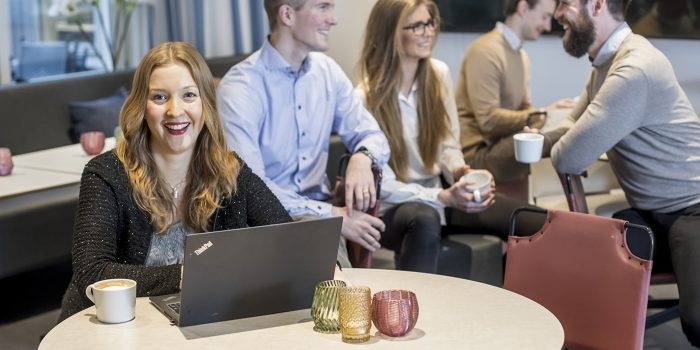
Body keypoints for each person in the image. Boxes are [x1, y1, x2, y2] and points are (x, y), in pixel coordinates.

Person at [58, 42, 292, 321]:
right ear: (140, 106)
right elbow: (92, 273)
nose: (175, 110)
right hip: (111, 330)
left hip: (195, 325)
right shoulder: (105, 175)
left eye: (189, 95)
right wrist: (187, 275)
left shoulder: (230, 170)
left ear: (205, 103)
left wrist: (324, 265)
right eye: (159, 97)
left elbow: (288, 239)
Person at [539, 0, 700, 345]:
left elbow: (569, 157)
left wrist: (554, 145)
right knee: (592, 255)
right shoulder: (605, 63)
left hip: (693, 209)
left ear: (596, 5)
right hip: (653, 212)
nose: (556, 14)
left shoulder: (633, 69)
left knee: (698, 321)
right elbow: (571, 124)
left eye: (565, 3)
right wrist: (535, 142)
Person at [356, 0, 546, 272]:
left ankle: (514, 300)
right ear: (391, 32)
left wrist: (459, 170)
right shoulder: (364, 96)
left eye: (430, 23)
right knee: (423, 218)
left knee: (530, 220)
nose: (428, 32)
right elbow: (381, 185)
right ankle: (415, 311)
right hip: (393, 209)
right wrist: (442, 197)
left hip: (441, 196)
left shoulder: (438, 74)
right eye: (417, 26)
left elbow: (447, 145)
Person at [217, 0, 390, 267]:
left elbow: (372, 134)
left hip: (324, 212)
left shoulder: (327, 72)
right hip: (267, 220)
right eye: (323, 7)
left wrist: (362, 157)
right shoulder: (240, 88)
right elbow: (251, 188)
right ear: (287, 14)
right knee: (327, 257)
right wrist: (332, 215)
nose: (333, 20)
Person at [455, 0, 574, 200]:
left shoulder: (521, 56)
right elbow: (488, 120)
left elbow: (526, 112)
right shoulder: (485, 51)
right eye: (544, 16)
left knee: (557, 130)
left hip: (502, 144)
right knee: (551, 135)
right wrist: (545, 113)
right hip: (478, 154)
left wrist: (546, 115)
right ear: (523, 7)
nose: (547, 26)